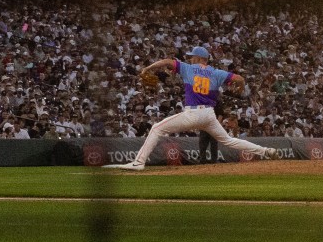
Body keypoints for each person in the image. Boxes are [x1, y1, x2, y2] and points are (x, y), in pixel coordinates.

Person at [113, 45, 278, 170]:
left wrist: (148, 68)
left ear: (200, 59)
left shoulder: (188, 68)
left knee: (157, 128)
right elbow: (240, 79)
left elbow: (166, 62)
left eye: (193, 57)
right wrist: (240, 88)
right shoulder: (217, 73)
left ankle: (138, 162)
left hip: (192, 113)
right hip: (209, 115)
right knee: (228, 140)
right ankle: (266, 151)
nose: (190, 59)